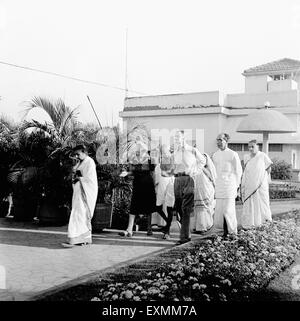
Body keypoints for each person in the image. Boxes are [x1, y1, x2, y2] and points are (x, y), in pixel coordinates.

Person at [173, 130, 206, 245]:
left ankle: (184, 237)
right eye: (175, 137)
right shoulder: (175, 152)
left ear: (183, 138)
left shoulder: (192, 150)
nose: (176, 139)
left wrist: (194, 172)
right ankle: (186, 234)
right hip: (177, 180)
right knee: (178, 209)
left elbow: (203, 161)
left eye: (178, 137)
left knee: (186, 209)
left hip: (188, 179)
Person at [119, 136, 156, 237]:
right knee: (134, 205)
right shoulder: (134, 158)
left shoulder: (150, 159)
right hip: (138, 183)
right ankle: (129, 229)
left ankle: (149, 228)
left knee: (149, 206)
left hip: (148, 183)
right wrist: (126, 173)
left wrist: (155, 184)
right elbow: (133, 172)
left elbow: (153, 172)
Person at [62, 145, 98, 247]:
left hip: (85, 192)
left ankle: (76, 239)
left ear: (84, 152)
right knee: (77, 213)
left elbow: (90, 178)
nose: (77, 156)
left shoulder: (89, 162)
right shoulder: (80, 162)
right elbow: (75, 173)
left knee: (79, 214)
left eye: (78, 154)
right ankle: (81, 239)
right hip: (78, 192)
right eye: (76, 154)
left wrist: (79, 178)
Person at [212, 133, 242, 236]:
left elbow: (238, 171)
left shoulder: (233, 154)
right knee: (220, 211)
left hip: (230, 186)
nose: (218, 142)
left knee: (229, 210)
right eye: (217, 140)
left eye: (220, 140)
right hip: (219, 186)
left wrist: (237, 187)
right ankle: (224, 233)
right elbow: (213, 172)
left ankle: (233, 233)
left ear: (226, 141)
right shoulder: (215, 155)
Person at [240, 139, 272, 229]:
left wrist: (263, 180)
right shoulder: (246, 157)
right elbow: (246, 171)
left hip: (260, 186)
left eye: (252, 146)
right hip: (249, 185)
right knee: (250, 203)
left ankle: (263, 222)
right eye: (249, 147)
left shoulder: (262, 156)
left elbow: (268, 169)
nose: (250, 148)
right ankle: (250, 224)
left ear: (258, 146)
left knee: (262, 203)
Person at [191, 153, 217, 234]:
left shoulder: (208, 169)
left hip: (206, 191)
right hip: (198, 191)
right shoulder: (197, 168)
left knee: (204, 209)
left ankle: (204, 226)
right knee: (198, 209)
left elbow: (212, 179)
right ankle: (197, 226)